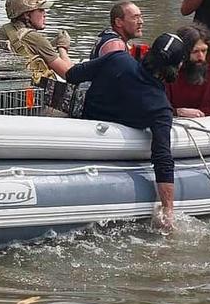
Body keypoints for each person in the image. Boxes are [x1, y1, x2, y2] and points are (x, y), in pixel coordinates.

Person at [39, 32, 189, 230]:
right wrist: (168, 208)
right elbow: (162, 158)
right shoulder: (160, 108)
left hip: (77, 128)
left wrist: (63, 50)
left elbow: (72, 75)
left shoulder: (118, 59)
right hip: (107, 153)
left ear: (149, 52)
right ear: (177, 67)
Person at [0, 0, 71, 86]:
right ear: (26, 14)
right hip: (29, 97)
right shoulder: (34, 38)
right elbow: (70, 74)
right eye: (41, 10)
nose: (45, 14)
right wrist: (62, 48)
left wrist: (49, 45)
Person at [164, 23, 210, 118]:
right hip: (176, 122)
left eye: (204, 50)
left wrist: (199, 113)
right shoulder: (170, 67)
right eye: (195, 52)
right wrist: (177, 112)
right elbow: (158, 106)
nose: (201, 57)